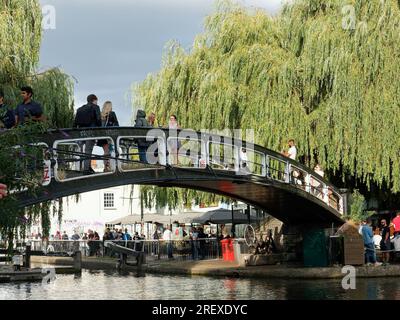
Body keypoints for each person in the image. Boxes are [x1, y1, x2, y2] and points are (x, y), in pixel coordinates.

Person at [73, 94, 102, 173]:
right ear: (94, 100)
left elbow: (75, 123)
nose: (97, 102)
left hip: (81, 133)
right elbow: (99, 121)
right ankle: (86, 169)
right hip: (91, 132)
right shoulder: (96, 107)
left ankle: (86, 167)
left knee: (81, 150)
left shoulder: (80, 109)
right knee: (88, 150)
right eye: (96, 101)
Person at [97, 101, 119, 172]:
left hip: (101, 135)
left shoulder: (101, 114)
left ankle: (106, 167)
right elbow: (116, 125)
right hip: (109, 135)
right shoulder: (112, 113)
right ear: (110, 106)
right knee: (109, 151)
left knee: (106, 151)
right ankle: (108, 166)